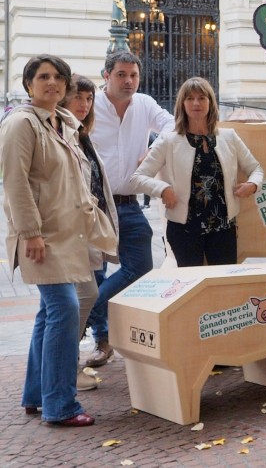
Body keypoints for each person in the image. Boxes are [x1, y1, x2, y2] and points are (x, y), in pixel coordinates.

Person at [2, 55, 114, 426]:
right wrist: (30, 232)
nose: (52, 83)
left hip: (70, 235)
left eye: (58, 78)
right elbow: (15, 184)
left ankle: (36, 393)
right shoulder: (21, 124)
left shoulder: (62, 122)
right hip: (43, 237)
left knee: (51, 312)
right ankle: (60, 404)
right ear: (29, 84)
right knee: (65, 309)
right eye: (43, 77)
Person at [84, 51, 174, 369]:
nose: (129, 81)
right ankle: (103, 341)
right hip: (93, 206)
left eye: (133, 75)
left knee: (140, 267)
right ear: (107, 75)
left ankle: (85, 309)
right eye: (122, 74)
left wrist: (152, 150)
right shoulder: (89, 104)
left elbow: (172, 126)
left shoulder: (145, 104)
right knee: (94, 273)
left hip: (130, 205)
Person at [129, 78, 263, 267]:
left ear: (211, 102)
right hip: (184, 231)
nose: (196, 103)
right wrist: (163, 189)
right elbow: (137, 179)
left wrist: (253, 184)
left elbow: (255, 168)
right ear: (182, 104)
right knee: (192, 288)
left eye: (202, 97)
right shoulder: (168, 140)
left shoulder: (229, 136)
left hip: (223, 229)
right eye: (190, 98)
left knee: (222, 287)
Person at [59, 75, 119, 392]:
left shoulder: (82, 135)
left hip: (88, 231)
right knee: (74, 302)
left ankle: (62, 371)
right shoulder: (62, 135)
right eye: (78, 98)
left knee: (79, 300)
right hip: (70, 234)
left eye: (89, 99)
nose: (84, 105)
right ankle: (64, 371)